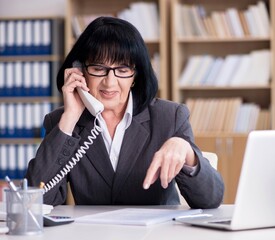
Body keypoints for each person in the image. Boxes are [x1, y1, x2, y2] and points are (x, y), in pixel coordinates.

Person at [25, 16, 224, 208]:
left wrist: (187, 152)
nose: (110, 82)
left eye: (122, 69)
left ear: (135, 75)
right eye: (98, 68)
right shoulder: (60, 121)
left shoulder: (170, 116)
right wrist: (70, 118)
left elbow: (210, 199)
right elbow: (36, 202)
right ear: (80, 70)